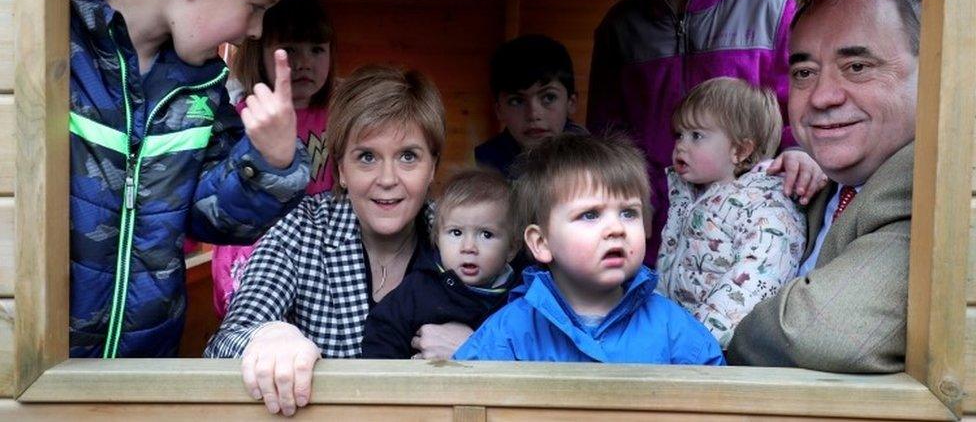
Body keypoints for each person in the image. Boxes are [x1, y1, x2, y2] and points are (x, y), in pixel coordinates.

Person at [69, 0, 312, 358]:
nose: (256, 30)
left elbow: (212, 219)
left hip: (145, 367)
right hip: (37, 369)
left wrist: (271, 163)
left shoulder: (202, 88)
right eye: (257, 5)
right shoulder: (53, 41)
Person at [206, 65, 461, 417]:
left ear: (433, 166)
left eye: (408, 156)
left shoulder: (463, 236)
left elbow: (530, 335)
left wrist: (481, 348)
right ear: (341, 168)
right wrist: (267, 337)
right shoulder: (302, 229)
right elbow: (225, 342)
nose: (387, 179)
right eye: (367, 157)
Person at [586, 0, 825, 263]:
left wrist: (801, 154)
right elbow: (606, 135)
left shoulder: (767, 9)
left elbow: (800, 107)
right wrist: (627, 200)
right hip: (653, 233)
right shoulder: (619, 28)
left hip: (750, 231)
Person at [726, 0, 921, 373]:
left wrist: (714, 337)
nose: (821, 97)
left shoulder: (920, 183)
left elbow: (819, 333)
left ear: (934, 74)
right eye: (804, 73)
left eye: (857, 67)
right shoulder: (813, 181)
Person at [454, 134, 725, 364]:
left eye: (629, 213)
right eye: (590, 215)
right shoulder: (511, 332)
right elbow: (459, 399)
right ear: (541, 243)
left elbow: (723, 403)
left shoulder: (672, 329)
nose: (616, 229)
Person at [210, 0, 337, 319]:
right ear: (260, 54)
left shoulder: (340, 116)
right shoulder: (242, 116)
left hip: (320, 252)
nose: (305, 63)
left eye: (317, 49)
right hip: (253, 248)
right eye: (289, 50)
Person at [655, 77, 805, 348]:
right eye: (679, 134)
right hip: (677, 337)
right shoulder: (689, 197)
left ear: (740, 149)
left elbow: (758, 275)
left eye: (696, 135)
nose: (681, 145)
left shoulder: (764, 202)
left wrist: (699, 340)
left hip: (721, 347)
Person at [361, 168, 520, 359]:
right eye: (456, 232)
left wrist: (478, 346)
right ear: (437, 239)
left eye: (486, 234)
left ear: (511, 248)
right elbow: (381, 331)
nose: (468, 247)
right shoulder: (420, 288)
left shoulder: (519, 297)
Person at [475, 34, 586, 179]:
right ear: (499, 110)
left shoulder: (596, 163)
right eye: (517, 101)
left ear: (571, 103)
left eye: (549, 98)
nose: (533, 114)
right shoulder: (485, 165)